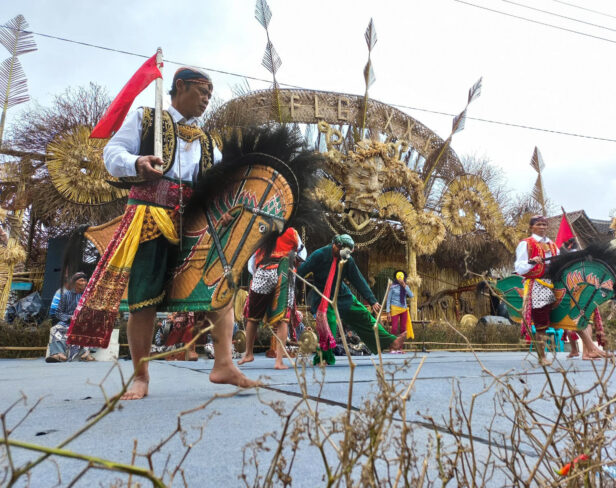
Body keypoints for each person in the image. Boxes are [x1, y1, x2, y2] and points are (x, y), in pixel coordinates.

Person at [68, 67, 258, 399]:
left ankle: (224, 364)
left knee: (220, 288)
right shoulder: (145, 118)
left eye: (211, 94)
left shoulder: (210, 142)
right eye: (202, 91)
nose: (207, 99)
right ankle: (140, 377)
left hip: (197, 222)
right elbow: (112, 154)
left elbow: (217, 186)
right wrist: (137, 163)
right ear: (179, 87)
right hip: (150, 216)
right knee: (144, 299)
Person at [297, 234, 405, 365]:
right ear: (336, 246)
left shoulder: (347, 259)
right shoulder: (319, 255)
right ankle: (324, 358)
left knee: (363, 315)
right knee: (328, 321)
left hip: (341, 294)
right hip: (322, 296)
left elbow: (358, 280)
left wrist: (372, 300)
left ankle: (390, 341)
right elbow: (301, 271)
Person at [515, 217, 608, 365]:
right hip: (537, 284)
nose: (542, 227)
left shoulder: (552, 245)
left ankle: (591, 348)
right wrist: (532, 262)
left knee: (571, 313)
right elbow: (518, 267)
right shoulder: (526, 244)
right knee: (541, 322)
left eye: (544, 224)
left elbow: (560, 263)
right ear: (531, 227)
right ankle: (542, 357)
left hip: (555, 283)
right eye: (539, 224)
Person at [238, 227, 306, 369]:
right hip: (285, 271)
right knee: (283, 319)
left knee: (253, 316)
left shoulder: (260, 229)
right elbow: (302, 254)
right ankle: (278, 361)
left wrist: (257, 273)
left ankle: (248, 354)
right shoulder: (292, 231)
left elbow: (251, 263)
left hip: (264, 270)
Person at [46, 272, 92, 362]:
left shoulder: (88, 296)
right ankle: (59, 354)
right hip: (67, 323)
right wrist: (69, 317)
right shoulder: (66, 295)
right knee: (55, 329)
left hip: (83, 323)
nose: (84, 283)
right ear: (75, 282)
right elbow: (58, 313)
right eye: (81, 280)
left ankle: (85, 353)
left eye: (85, 281)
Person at [385, 270, 415, 350]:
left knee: (403, 329)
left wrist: (404, 285)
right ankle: (392, 347)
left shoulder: (405, 286)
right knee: (394, 329)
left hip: (404, 309)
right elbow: (388, 299)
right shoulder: (392, 287)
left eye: (401, 277)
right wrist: (388, 311)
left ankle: (400, 347)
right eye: (399, 277)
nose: (400, 278)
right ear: (396, 278)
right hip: (394, 308)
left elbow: (411, 295)